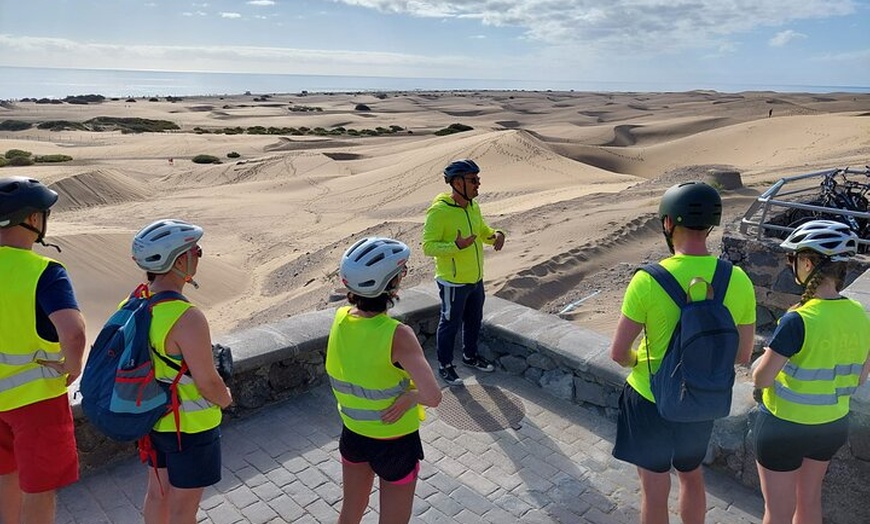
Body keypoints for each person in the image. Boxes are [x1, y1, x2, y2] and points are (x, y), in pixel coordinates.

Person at [609, 181, 756, 524]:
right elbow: (742, 355)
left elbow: (618, 353)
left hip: (650, 396)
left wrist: (639, 362)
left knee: (654, 485)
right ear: (711, 225)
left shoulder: (647, 280)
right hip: (701, 397)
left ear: (668, 223)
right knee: (691, 475)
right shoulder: (738, 280)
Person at [752, 220, 870, 524]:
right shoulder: (860, 315)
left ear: (807, 263)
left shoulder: (798, 320)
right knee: (809, 502)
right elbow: (859, 377)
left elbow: (761, 378)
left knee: (777, 512)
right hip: (831, 426)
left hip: (783, 427)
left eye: (794, 259)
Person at [327, 237, 441, 524]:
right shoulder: (397, 335)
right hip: (395, 442)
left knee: (351, 510)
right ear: (391, 285)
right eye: (401, 274)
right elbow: (433, 396)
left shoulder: (340, 318)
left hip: (353, 434)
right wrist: (410, 398)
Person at [130, 219, 233, 524]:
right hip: (190, 429)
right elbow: (207, 382)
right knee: (183, 509)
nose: (199, 254)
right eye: (194, 250)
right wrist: (226, 399)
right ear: (177, 260)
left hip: (153, 420)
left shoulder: (136, 302)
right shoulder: (187, 318)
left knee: (157, 495)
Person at [0, 176, 86, 524]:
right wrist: (73, 364)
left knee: (7, 476)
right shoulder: (45, 272)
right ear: (33, 220)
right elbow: (73, 330)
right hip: (36, 401)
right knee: (39, 489)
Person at [422, 159, 505, 385]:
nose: (478, 184)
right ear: (457, 183)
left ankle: (470, 356)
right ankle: (445, 365)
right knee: (449, 323)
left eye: (478, 179)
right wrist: (455, 247)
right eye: (473, 180)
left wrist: (496, 235)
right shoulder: (439, 212)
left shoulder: (473, 206)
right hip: (453, 282)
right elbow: (427, 247)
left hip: (475, 279)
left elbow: (481, 231)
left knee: (474, 320)